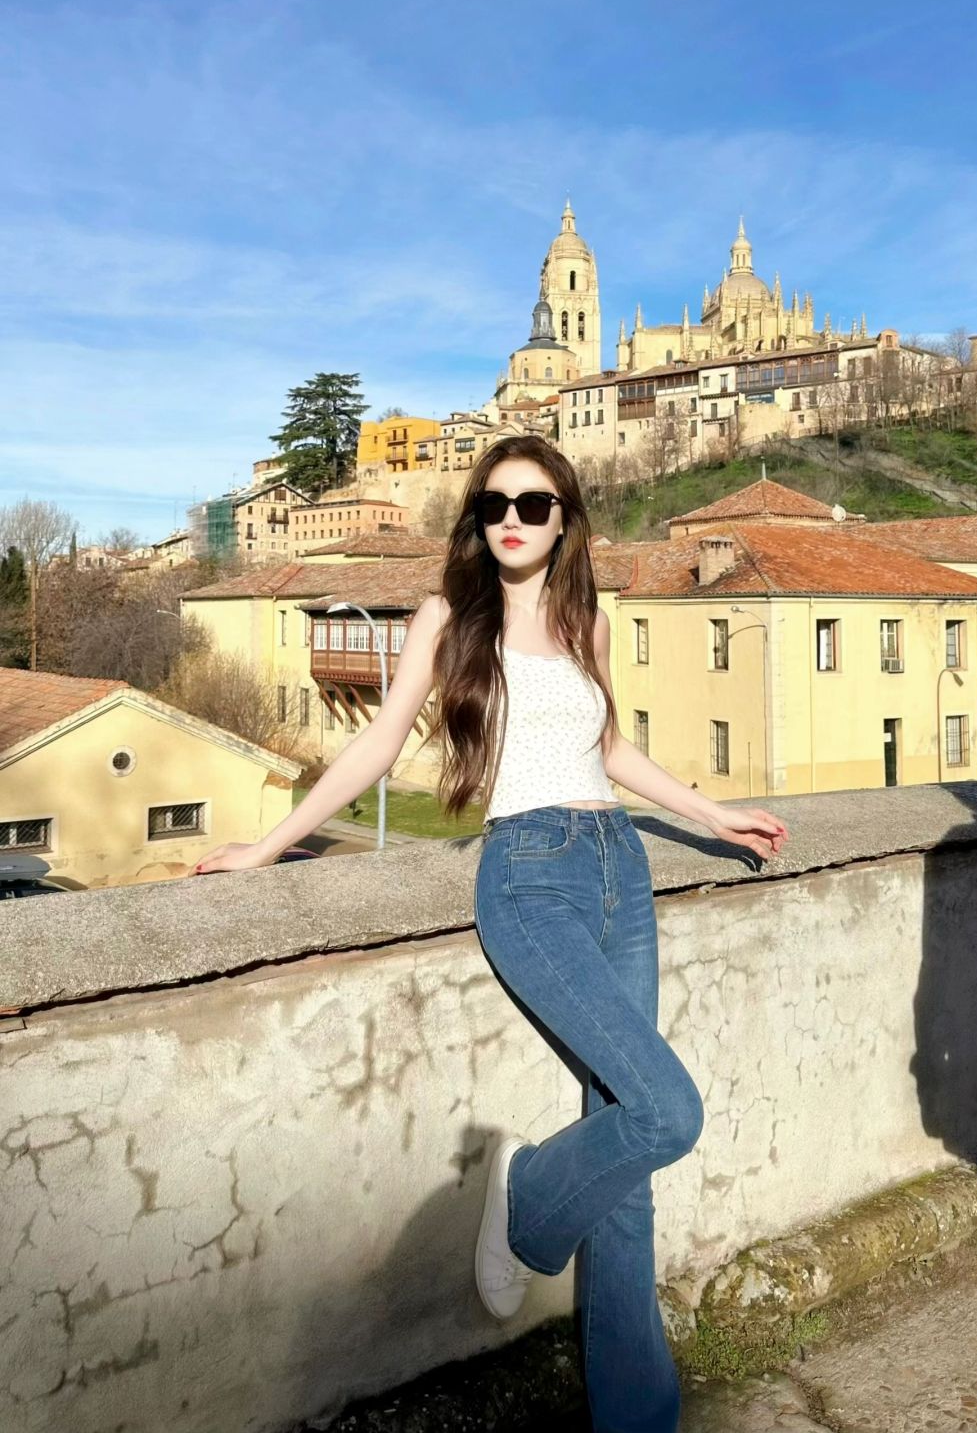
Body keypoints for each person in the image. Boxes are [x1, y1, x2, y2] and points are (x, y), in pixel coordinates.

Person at [192, 434, 789, 1432]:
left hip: (619, 869)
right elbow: (380, 740)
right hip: (529, 879)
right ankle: (526, 1203)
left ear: (565, 521)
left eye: (535, 504)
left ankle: (638, 1420)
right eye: (495, 503)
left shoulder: (589, 622)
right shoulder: (448, 617)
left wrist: (712, 814)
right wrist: (270, 844)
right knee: (667, 1113)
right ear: (478, 519)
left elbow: (610, 749)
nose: (513, 519)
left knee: (631, 1177)